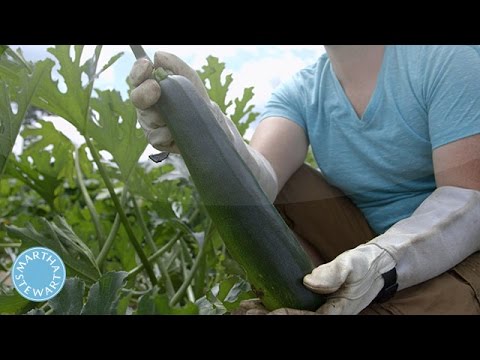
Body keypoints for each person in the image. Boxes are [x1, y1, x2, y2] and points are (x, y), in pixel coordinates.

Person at [129, 46, 480, 315]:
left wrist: (382, 261)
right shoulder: (300, 91)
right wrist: (200, 127)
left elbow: (468, 201)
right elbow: (258, 182)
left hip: (459, 254)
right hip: (360, 247)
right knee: (281, 185)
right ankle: (310, 300)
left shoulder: (447, 59)